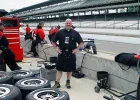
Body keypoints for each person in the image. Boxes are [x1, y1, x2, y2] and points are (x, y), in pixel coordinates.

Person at [51, 18, 83, 89]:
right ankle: (57, 83)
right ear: (64, 24)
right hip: (62, 53)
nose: (68, 24)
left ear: (71, 24)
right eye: (67, 23)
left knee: (69, 69)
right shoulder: (60, 32)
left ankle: (68, 82)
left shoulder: (75, 33)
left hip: (71, 53)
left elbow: (81, 42)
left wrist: (77, 49)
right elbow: (53, 41)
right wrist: (56, 48)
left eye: (69, 23)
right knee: (59, 69)